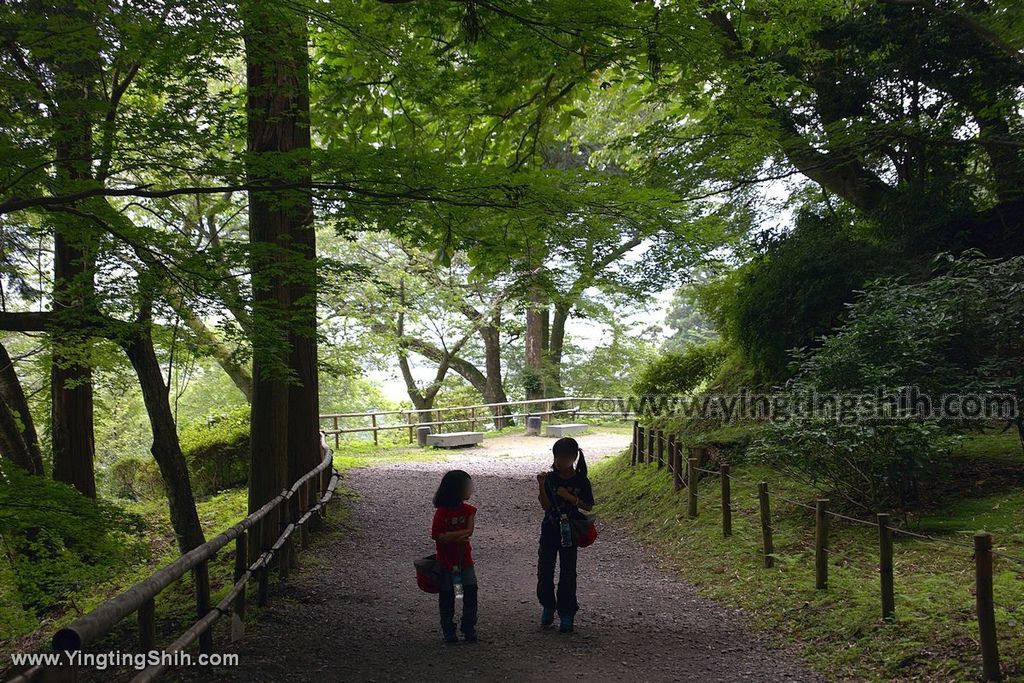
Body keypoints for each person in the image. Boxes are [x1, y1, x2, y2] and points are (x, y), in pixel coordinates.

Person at [535, 437, 594, 633]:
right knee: (545, 571)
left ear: (574, 457)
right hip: (550, 530)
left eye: (565, 457)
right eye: (557, 457)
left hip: (570, 533)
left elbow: (588, 505)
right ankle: (548, 607)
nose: (560, 461)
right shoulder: (550, 478)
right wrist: (542, 486)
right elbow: (546, 506)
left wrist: (570, 498)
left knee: (568, 574)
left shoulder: (581, 480)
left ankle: (567, 613)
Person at [431, 469, 478, 643]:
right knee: (448, 595)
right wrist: (457, 536)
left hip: (463, 560)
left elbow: (468, 532)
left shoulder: (470, 510)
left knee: (470, 592)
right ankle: (448, 630)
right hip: (447, 563)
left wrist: (449, 536)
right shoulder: (442, 512)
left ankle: (468, 627)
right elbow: (437, 535)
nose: (470, 490)